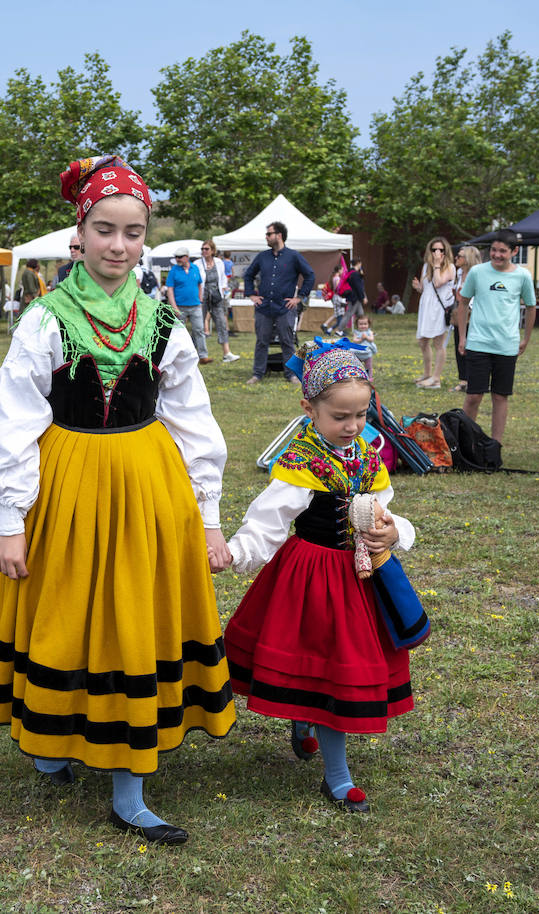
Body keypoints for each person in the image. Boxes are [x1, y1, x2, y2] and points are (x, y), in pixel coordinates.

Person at [0, 154, 235, 845]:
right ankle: (53, 735)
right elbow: (14, 422)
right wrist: (12, 522)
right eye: (104, 230)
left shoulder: (163, 321)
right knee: (69, 613)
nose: (118, 246)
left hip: (146, 488)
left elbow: (193, 419)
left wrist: (208, 518)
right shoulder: (46, 319)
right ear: (78, 235)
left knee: (134, 620)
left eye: (133, 232)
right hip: (67, 486)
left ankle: (129, 787)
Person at [220, 341, 417, 813]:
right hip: (311, 577)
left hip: (360, 578)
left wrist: (395, 532)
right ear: (309, 409)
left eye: (361, 415)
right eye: (339, 417)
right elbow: (267, 522)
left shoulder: (367, 454)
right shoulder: (301, 462)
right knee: (322, 662)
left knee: (340, 667)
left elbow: (386, 510)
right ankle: (335, 772)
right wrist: (233, 554)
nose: (352, 427)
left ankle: (327, 758)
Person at [455, 230, 535, 444]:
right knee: (473, 396)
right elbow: (463, 303)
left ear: (514, 251)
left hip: (506, 346)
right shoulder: (477, 273)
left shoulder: (522, 276)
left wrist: (525, 338)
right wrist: (462, 337)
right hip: (478, 343)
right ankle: (467, 443)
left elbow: (531, 306)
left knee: (500, 396)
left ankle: (495, 445)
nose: (497, 255)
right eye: (493, 250)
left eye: (503, 251)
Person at [243, 221, 314, 384]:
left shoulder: (294, 256)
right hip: (264, 307)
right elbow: (248, 275)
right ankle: (257, 374)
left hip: (285, 307)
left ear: (279, 235)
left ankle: (291, 375)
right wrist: (251, 295)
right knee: (261, 341)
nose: (266, 237)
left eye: (269, 234)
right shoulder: (262, 256)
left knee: (287, 342)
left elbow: (310, 275)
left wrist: (300, 297)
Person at [411, 238, 454, 389]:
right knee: (422, 341)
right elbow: (427, 288)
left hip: (439, 309)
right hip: (426, 307)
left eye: (441, 250)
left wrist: (437, 265)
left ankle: (436, 379)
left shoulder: (449, 267)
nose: (437, 253)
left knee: (438, 343)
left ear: (445, 252)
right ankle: (427, 374)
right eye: (434, 250)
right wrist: (418, 287)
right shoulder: (426, 266)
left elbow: (438, 283)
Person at [165, 246, 210, 364]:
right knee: (180, 333)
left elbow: (200, 284)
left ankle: (203, 356)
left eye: (180, 257)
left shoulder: (195, 268)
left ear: (187, 257)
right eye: (176, 257)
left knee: (199, 330)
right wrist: (174, 307)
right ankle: (183, 357)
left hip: (195, 306)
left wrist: (200, 298)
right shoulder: (174, 270)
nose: (177, 259)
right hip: (180, 307)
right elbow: (170, 289)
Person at [451, 246, 483, 392]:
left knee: (473, 348)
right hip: (460, 313)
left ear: (468, 259)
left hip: (474, 313)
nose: (457, 258)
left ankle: (473, 379)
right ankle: (463, 379)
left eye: (460, 256)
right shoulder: (459, 273)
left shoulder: (476, 275)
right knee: (459, 344)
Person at [200, 240, 236, 362]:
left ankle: (227, 353)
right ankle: (195, 353)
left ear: (213, 251)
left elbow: (223, 278)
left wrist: (224, 289)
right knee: (199, 325)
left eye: (206, 249)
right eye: (202, 249)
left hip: (216, 296)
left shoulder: (219, 263)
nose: (204, 251)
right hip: (202, 297)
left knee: (221, 323)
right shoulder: (198, 263)